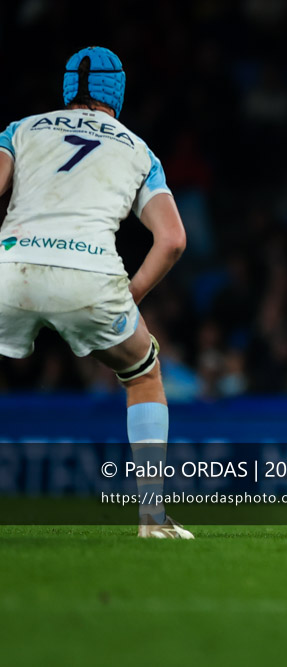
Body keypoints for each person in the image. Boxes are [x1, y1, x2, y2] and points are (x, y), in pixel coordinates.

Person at [0, 47, 189, 538]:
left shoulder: (20, 129)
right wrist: (132, 296)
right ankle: (152, 519)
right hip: (90, 276)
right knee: (143, 375)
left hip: (12, 265)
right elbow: (172, 240)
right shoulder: (138, 150)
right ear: (117, 92)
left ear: (67, 87)